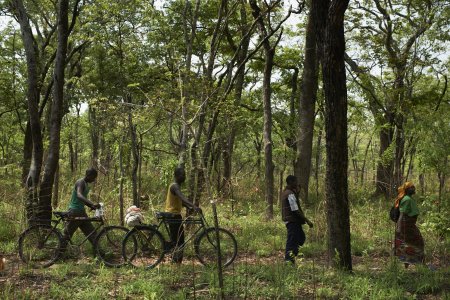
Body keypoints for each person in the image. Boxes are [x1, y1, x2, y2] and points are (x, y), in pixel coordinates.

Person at [165, 167, 201, 263]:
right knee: (178, 241)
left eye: (184, 175)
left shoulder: (176, 186)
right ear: (176, 176)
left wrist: (187, 206)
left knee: (178, 240)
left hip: (175, 215)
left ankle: (176, 260)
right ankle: (175, 261)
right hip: (173, 215)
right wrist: (194, 206)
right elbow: (182, 197)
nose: (184, 177)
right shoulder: (175, 186)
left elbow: (179, 200)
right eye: (182, 175)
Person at [62, 168, 101, 251]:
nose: (94, 180)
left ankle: (99, 253)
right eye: (93, 177)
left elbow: (82, 199)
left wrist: (91, 206)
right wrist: (91, 203)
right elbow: (79, 195)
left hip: (81, 212)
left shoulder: (86, 184)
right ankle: (57, 255)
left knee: (92, 232)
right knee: (67, 235)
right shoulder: (80, 182)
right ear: (88, 175)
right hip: (74, 211)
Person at [280, 175, 313, 264]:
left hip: (292, 221)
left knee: (300, 238)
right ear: (291, 182)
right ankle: (289, 261)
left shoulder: (288, 192)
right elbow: (295, 209)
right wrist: (307, 220)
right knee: (292, 241)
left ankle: (292, 255)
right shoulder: (290, 194)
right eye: (295, 182)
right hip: (292, 221)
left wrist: (297, 193)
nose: (297, 183)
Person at [394, 181, 424, 267]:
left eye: (413, 187)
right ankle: (417, 263)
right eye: (411, 187)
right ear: (407, 189)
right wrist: (399, 227)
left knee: (407, 243)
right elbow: (402, 214)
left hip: (409, 225)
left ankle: (408, 263)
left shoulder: (409, 198)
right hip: (406, 225)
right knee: (418, 242)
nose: (413, 188)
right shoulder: (406, 199)